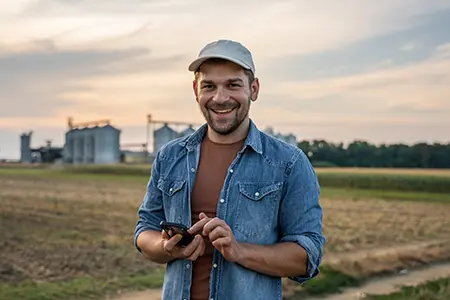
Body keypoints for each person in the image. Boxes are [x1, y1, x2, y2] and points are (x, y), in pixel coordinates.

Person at [134, 39, 325, 300]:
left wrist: (238, 250)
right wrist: (167, 247)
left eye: (233, 85)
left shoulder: (289, 162)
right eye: (209, 86)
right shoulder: (170, 156)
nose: (220, 98)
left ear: (254, 89)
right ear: (195, 90)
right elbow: (145, 231)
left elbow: (308, 257)